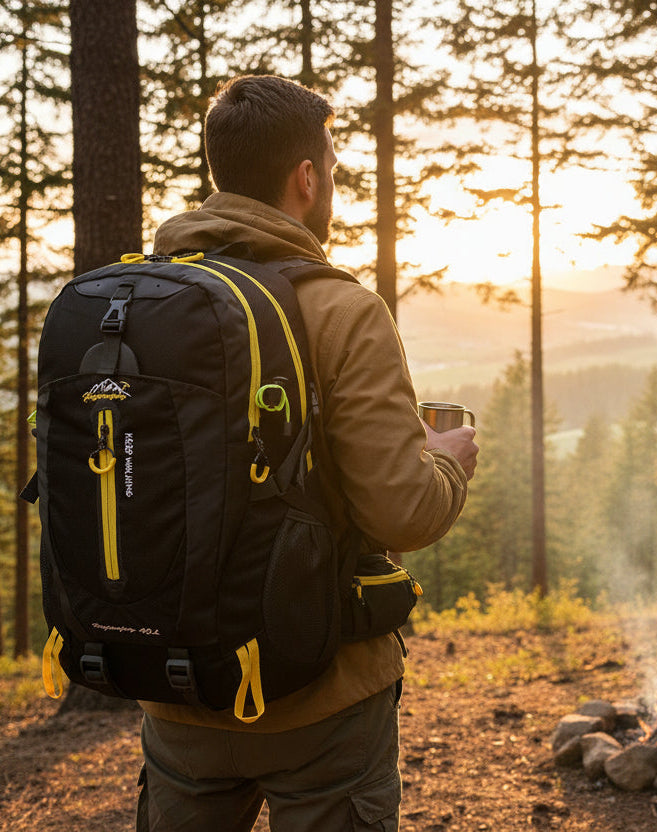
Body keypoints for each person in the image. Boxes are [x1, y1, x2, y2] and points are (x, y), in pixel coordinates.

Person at [137, 74, 478, 832]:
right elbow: (403, 511)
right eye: (331, 162)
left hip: (175, 688)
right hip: (318, 691)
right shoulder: (341, 308)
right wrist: (447, 459)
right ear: (306, 176)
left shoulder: (142, 300)